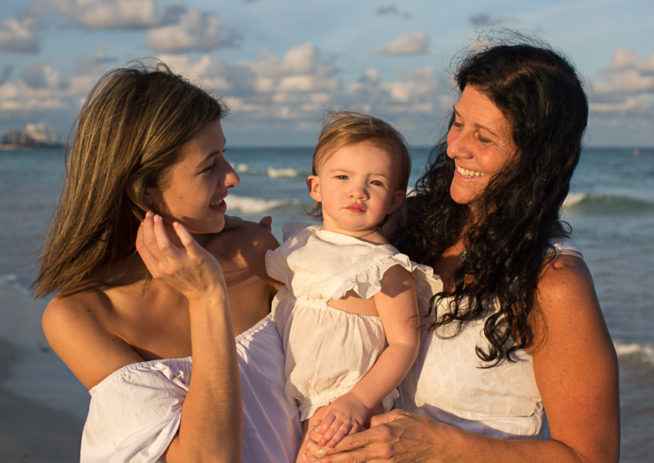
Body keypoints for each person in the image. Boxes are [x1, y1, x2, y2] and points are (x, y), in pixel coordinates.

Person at [305, 43, 621, 462]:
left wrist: (442, 447)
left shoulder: (553, 282)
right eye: (457, 122)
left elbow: (589, 457)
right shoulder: (415, 221)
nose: (455, 147)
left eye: (484, 137)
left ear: (535, 160)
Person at [33, 61, 300, 462]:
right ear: (145, 192)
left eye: (225, 155)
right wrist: (207, 297)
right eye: (210, 166)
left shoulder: (253, 251)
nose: (233, 177)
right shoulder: (82, 315)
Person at [266, 111, 441, 462]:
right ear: (316, 187)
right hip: (290, 396)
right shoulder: (301, 244)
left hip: (343, 401)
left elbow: (404, 343)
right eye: (342, 176)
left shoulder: (385, 268)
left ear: (394, 200)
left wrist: (358, 401)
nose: (357, 190)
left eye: (375, 182)